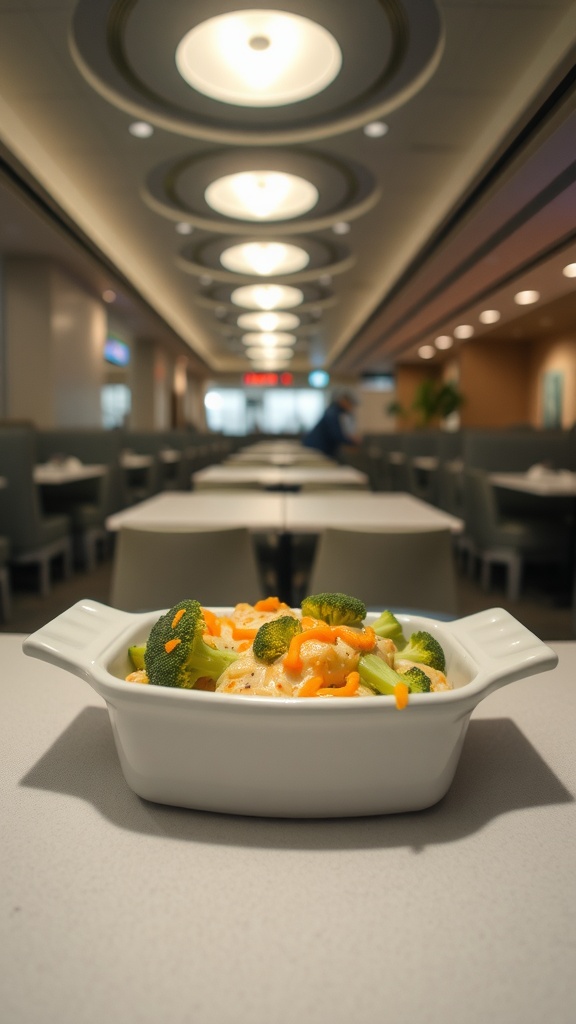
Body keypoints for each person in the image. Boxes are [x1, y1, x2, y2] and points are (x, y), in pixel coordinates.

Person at [302, 390, 360, 458]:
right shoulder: (332, 413)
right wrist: (351, 441)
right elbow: (336, 434)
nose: (351, 408)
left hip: (318, 447)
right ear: (344, 401)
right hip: (317, 447)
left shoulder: (334, 412)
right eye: (350, 404)